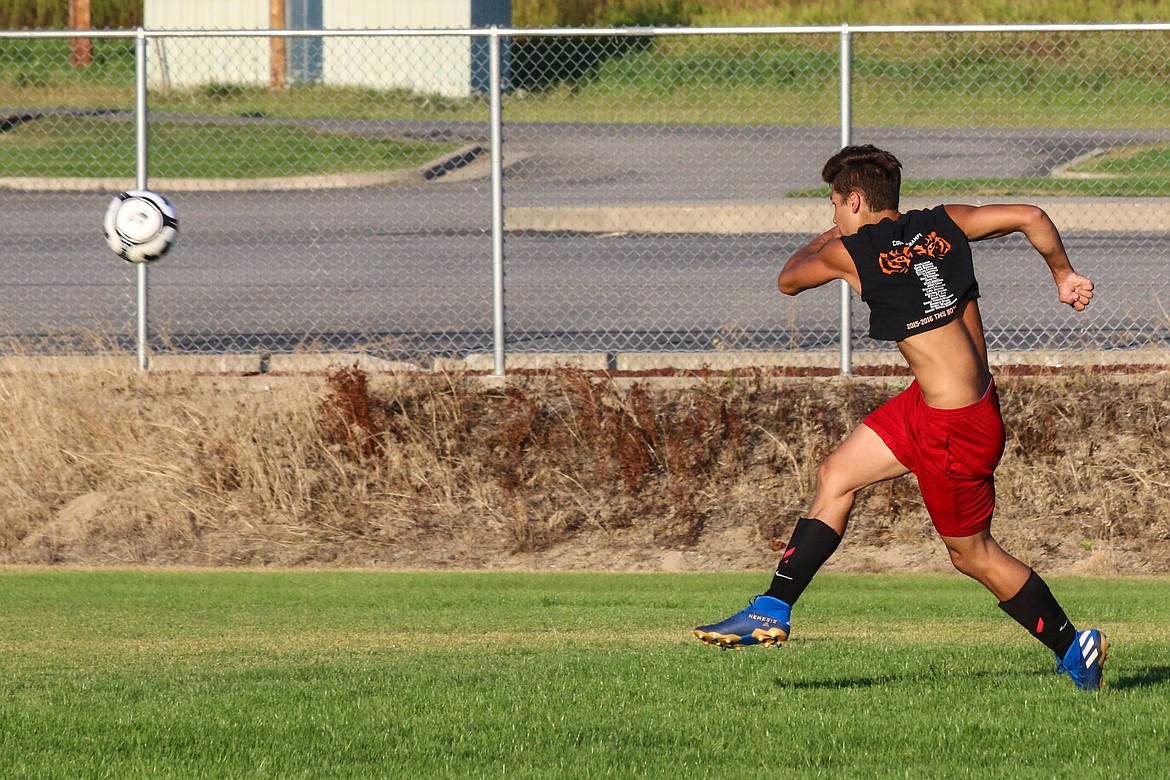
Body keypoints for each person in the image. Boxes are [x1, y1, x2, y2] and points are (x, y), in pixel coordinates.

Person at [693, 145, 1107, 691]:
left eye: (835, 204)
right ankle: (773, 608)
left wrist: (828, 239)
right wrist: (1063, 274)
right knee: (837, 474)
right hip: (936, 404)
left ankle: (1073, 645)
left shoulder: (851, 249)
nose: (834, 215)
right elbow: (1031, 216)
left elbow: (788, 279)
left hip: (955, 427)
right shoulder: (945, 222)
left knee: (972, 554)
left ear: (855, 201)